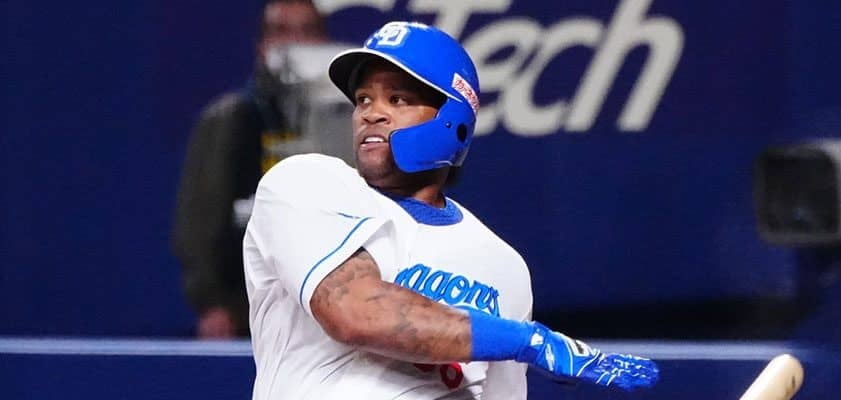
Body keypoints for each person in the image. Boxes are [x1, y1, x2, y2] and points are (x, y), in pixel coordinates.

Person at [242, 21, 659, 399]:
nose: (371, 113)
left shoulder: (503, 265)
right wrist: (528, 341)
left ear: (452, 117)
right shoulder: (306, 183)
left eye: (397, 98)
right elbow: (355, 313)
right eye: (363, 99)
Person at [173, 0, 353, 339]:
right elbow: (199, 223)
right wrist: (213, 303)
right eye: (282, 32)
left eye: (307, 31)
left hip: (334, 311)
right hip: (247, 311)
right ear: (261, 45)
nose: (295, 43)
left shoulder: (351, 120)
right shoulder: (229, 119)